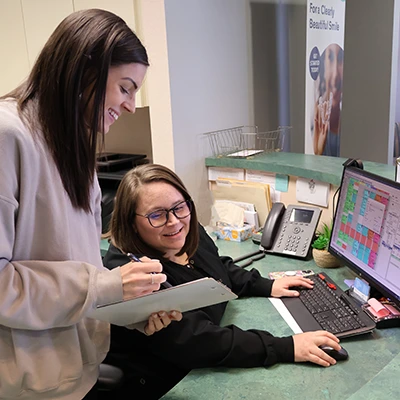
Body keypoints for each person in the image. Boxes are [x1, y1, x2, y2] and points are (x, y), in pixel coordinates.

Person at [0, 9, 182, 400]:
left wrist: (129, 307)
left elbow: (77, 268)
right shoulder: (7, 135)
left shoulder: (73, 144)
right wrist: (105, 286)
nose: (132, 105)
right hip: (27, 385)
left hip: (73, 371)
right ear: (86, 70)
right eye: (126, 87)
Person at [102, 164, 343, 399]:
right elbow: (198, 341)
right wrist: (286, 347)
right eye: (157, 215)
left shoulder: (184, 232)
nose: (174, 221)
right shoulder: (135, 276)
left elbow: (217, 266)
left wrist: (265, 285)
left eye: (179, 207)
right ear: (131, 222)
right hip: (168, 381)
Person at [313, 43, 344, 156]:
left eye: (340, 59)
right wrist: (317, 152)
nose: (336, 75)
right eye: (330, 58)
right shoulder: (316, 120)